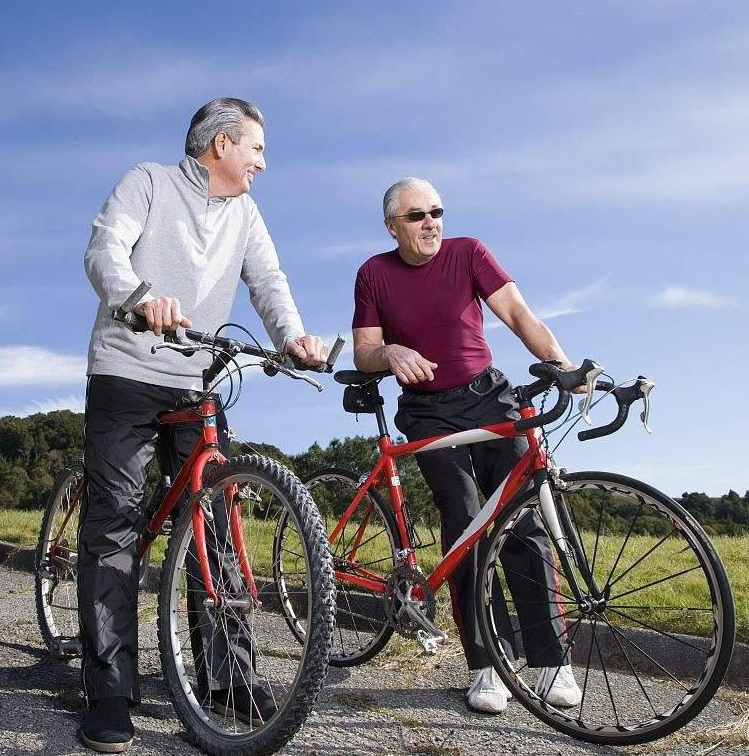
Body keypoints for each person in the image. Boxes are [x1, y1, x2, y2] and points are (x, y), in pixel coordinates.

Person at [80, 97, 328, 752]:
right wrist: (137, 297)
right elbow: (105, 249)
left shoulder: (245, 214)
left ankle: (226, 680)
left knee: (216, 525)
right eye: (257, 149)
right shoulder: (149, 182)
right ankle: (108, 687)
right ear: (222, 144)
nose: (263, 164)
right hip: (127, 371)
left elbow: (268, 281)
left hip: (197, 381)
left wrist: (293, 338)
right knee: (115, 524)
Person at [350, 177, 583, 714]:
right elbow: (365, 350)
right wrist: (390, 354)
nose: (430, 221)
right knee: (466, 522)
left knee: (524, 520)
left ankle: (550, 663)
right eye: (416, 215)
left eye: (436, 211)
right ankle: (486, 663)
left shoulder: (469, 253)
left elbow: (520, 316)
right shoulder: (373, 274)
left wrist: (564, 365)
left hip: (488, 397)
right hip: (427, 411)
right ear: (393, 226)